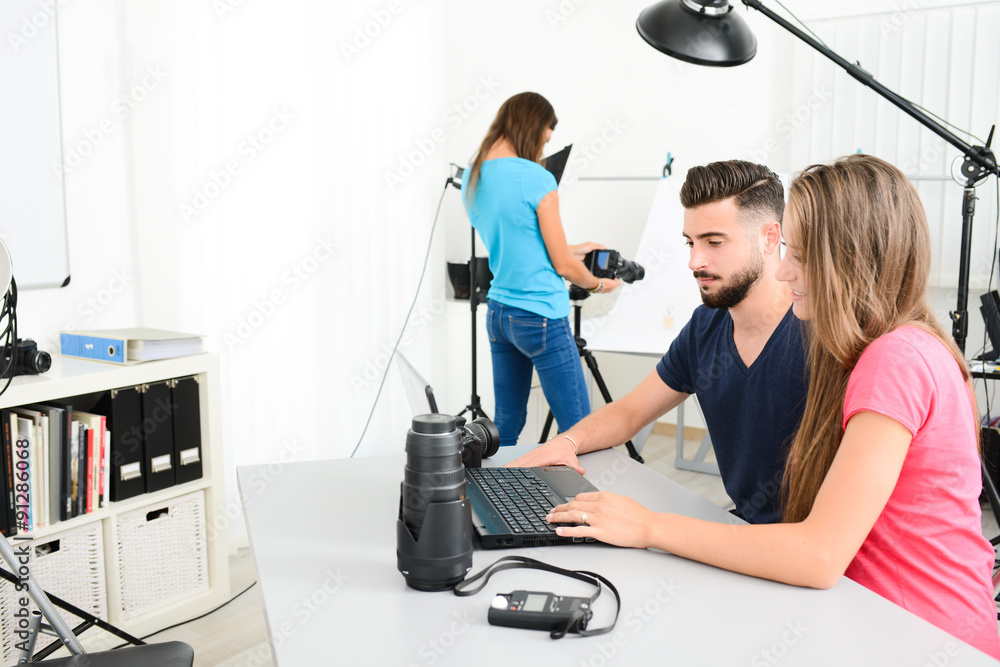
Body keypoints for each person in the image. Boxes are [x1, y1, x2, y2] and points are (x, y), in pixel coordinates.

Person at [546, 154, 1000, 658]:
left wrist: (648, 525)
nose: (784, 270)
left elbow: (819, 554)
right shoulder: (898, 346)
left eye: (799, 254)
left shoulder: (890, 359)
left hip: (917, 637)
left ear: (846, 257)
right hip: (865, 612)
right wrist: (565, 445)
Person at [510, 159, 808, 524]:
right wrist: (566, 442)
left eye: (714, 242)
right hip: (741, 528)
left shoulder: (819, 334)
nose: (695, 261)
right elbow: (631, 411)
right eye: (691, 243)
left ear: (770, 237)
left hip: (811, 552)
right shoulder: (705, 327)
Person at [461, 92, 620, 448]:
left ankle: (501, 499)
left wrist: (575, 248)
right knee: (581, 428)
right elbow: (563, 266)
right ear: (532, 128)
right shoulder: (536, 177)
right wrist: (597, 285)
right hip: (541, 317)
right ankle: (586, 502)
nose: (544, 145)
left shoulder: (472, 177)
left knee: (505, 426)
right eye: (545, 138)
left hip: (500, 314)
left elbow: (516, 240)